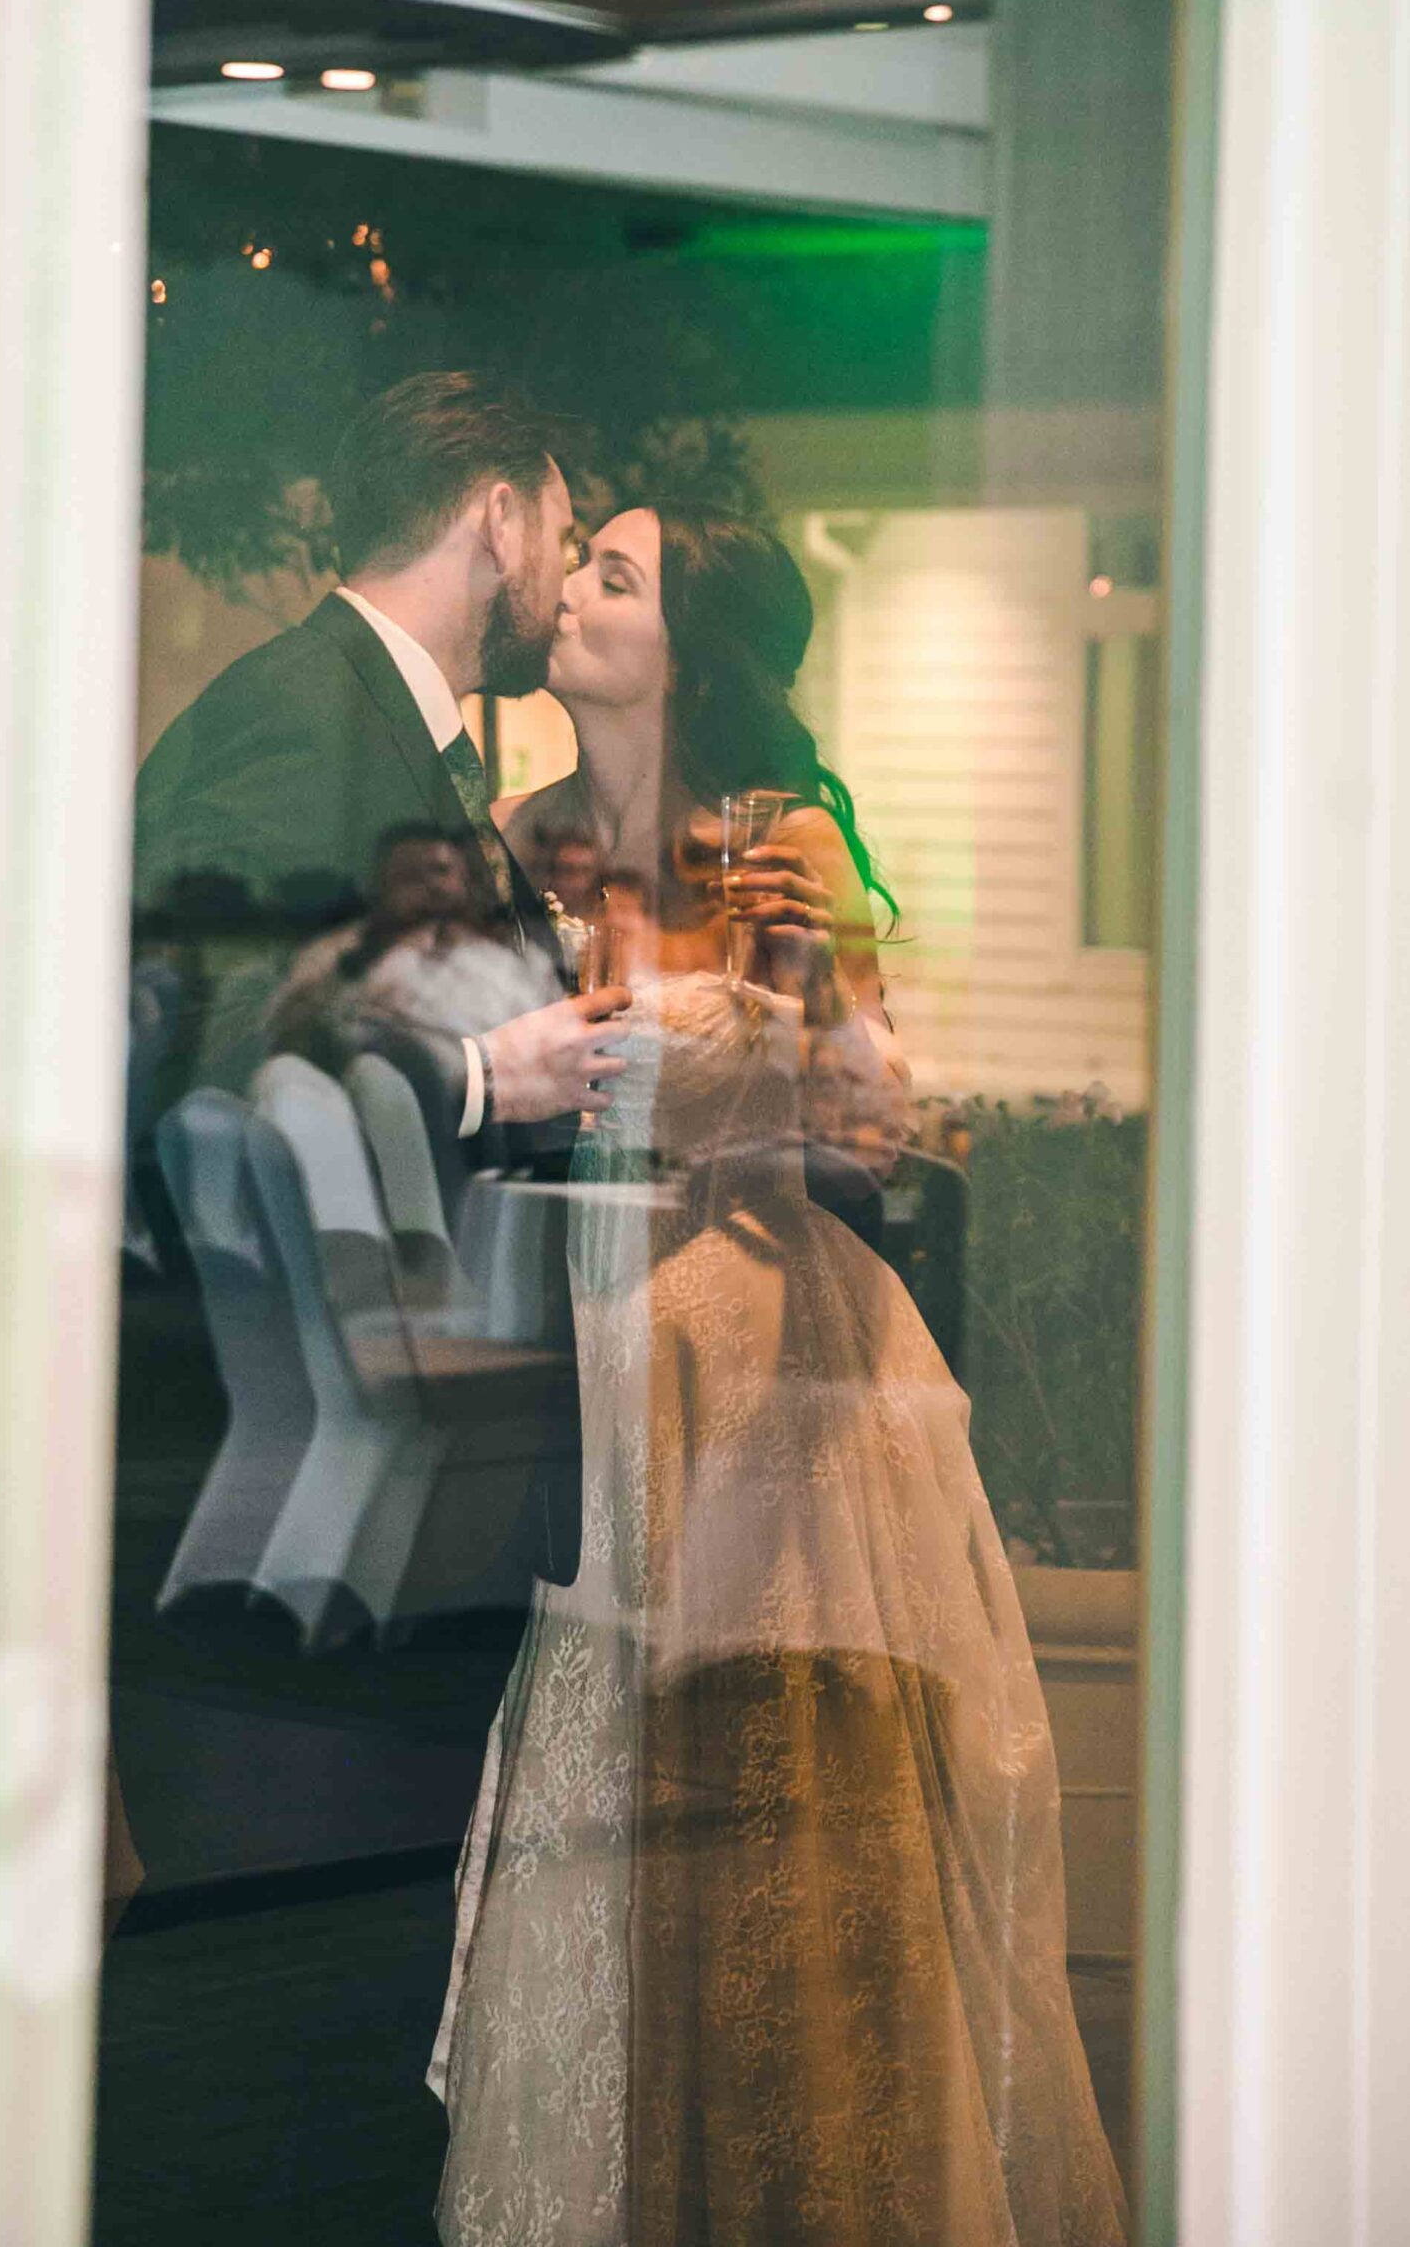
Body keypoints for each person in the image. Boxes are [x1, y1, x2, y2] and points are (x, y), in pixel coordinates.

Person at [428, 505, 1126, 2246]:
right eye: (584, 562)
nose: (573, 594)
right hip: (581, 1358)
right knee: (613, 1804)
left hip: (764, 1377)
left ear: (694, 650)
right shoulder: (514, 842)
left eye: (615, 577)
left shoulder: (777, 839)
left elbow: (871, 1136)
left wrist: (818, 983)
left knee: (788, 1810)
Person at [133, 371, 631, 1149]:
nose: (562, 586)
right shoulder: (299, 708)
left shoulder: (381, 713)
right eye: (563, 542)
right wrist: (478, 1077)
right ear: (501, 522)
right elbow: (188, 1029)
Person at [261, 822, 562, 1064]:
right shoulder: (338, 953)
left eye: (442, 871)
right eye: (411, 876)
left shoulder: (510, 955)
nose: (432, 886)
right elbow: (287, 1034)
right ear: (380, 885)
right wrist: (372, 953)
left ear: (463, 880)